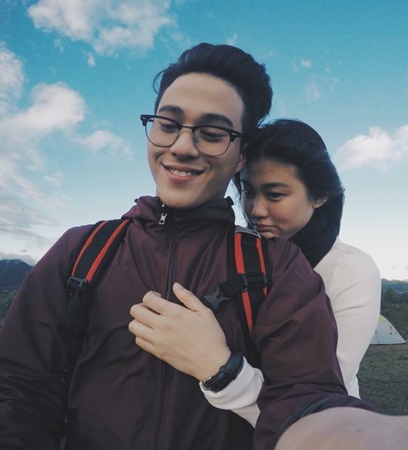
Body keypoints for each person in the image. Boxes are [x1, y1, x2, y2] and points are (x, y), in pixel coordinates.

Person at [0, 42, 368, 450]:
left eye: (212, 134)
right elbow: (18, 388)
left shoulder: (276, 265)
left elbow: (310, 401)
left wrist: (223, 368)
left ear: (241, 156)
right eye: (168, 124)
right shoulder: (83, 250)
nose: (181, 147)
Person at [129, 118, 381, 426]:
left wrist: (217, 367)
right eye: (248, 192)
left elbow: (316, 399)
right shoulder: (239, 256)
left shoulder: (351, 270)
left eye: (275, 195)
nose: (256, 210)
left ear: (319, 196)